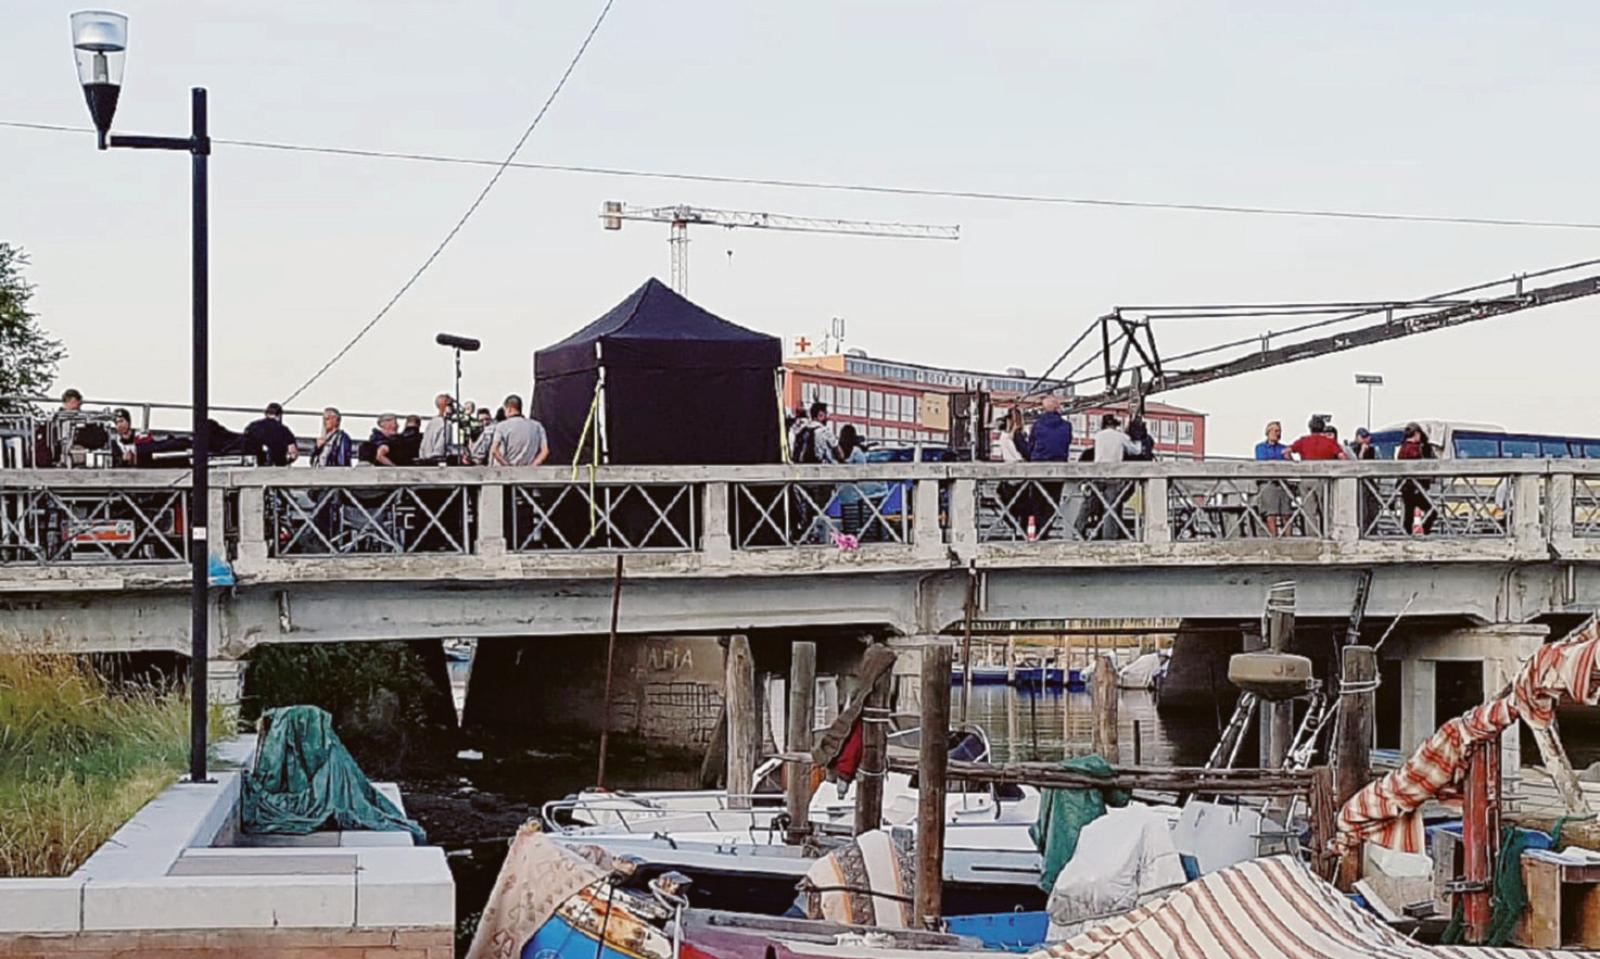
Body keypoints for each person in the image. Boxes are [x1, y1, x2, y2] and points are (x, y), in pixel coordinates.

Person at [1288, 414, 1348, 534]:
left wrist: (1295, 465)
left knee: (1309, 511)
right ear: (1323, 428)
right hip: (1323, 479)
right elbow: (1343, 457)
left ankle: (1312, 536)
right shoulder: (1329, 442)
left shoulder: (1303, 441)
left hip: (1306, 478)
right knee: (1326, 509)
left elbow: (1286, 452)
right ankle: (1328, 533)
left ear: (1310, 427)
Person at [1087, 414, 1141, 540]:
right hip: (1114, 475)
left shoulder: (1098, 436)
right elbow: (1136, 450)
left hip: (1098, 473)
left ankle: (1077, 529)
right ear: (1115, 424)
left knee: (1089, 504)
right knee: (1110, 507)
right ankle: (1109, 536)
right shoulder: (1121, 436)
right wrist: (1137, 439)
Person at [835, 425, 886, 540]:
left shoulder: (838, 451)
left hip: (843, 492)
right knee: (879, 492)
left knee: (850, 522)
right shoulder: (856, 451)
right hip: (859, 491)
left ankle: (848, 539)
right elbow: (863, 469)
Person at [1397, 422, 1437, 534]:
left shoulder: (1402, 448)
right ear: (1416, 434)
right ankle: (1424, 531)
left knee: (1409, 513)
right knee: (1432, 510)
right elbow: (1419, 466)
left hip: (1405, 485)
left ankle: (1407, 534)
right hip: (1414, 486)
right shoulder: (1415, 449)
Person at [1254, 421, 1291, 536]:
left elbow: (1291, 465)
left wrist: (1288, 458)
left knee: (1287, 513)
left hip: (1283, 483)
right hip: (1268, 482)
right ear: (1268, 432)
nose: (1278, 434)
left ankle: (1289, 539)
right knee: (1271, 514)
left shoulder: (1284, 448)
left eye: (1279, 431)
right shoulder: (1260, 447)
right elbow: (1263, 462)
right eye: (1275, 431)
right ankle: (1274, 539)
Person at [490, 394, 549, 466]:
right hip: (529, 474)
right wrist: (533, 466)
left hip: (507, 474)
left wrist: (508, 466)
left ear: (509, 409)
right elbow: (545, 451)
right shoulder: (537, 426)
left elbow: (494, 450)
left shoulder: (501, 426)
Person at [242, 402, 299, 467]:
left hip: (256, 467)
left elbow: (244, 446)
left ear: (266, 414)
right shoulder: (284, 431)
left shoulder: (252, 427)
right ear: (279, 415)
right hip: (277, 468)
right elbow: (293, 454)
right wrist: (287, 461)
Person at [419, 393, 453, 462]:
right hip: (437, 461)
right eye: (451, 405)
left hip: (425, 460)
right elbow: (441, 447)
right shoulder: (446, 424)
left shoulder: (431, 422)